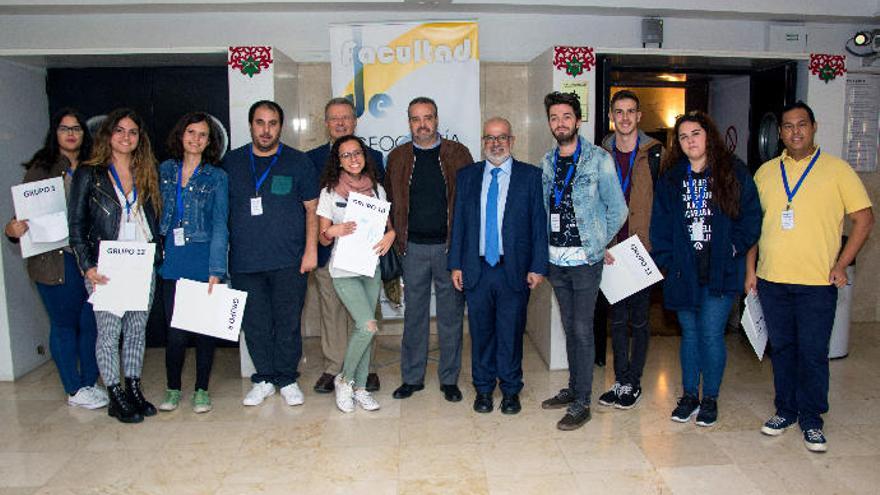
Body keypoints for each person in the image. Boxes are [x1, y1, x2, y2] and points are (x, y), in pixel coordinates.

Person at [746, 101, 873, 452]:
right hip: (773, 281)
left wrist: (841, 264)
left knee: (814, 352)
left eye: (802, 125)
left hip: (818, 283)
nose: (795, 132)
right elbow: (752, 228)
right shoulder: (767, 172)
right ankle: (785, 410)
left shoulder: (838, 170)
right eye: (788, 126)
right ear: (780, 132)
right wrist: (750, 271)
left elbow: (864, 220)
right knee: (783, 349)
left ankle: (812, 419)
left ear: (814, 127)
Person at [650, 111, 761, 428]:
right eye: (683, 137)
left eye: (695, 134)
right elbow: (660, 227)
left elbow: (751, 217)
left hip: (721, 272)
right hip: (684, 273)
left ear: (708, 135)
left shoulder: (733, 172)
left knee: (711, 334)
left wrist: (732, 249)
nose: (690, 141)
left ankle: (709, 397)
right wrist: (668, 262)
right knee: (690, 335)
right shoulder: (671, 179)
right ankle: (689, 396)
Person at [4, 108, 106, 410]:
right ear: (56, 134)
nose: (71, 133)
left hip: (89, 260)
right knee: (64, 324)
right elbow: (20, 219)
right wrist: (12, 230)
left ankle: (89, 382)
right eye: (64, 128)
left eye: (76, 128)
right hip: (54, 261)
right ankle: (74, 389)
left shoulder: (95, 167)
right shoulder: (41, 169)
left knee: (91, 323)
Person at [539, 91, 628, 431]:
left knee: (581, 328)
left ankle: (582, 402)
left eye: (566, 117)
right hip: (555, 260)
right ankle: (574, 388)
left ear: (577, 120)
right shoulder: (548, 161)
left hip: (585, 261)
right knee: (568, 326)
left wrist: (595, 242)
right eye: (554, 118)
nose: (560, 123)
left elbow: (618, 210)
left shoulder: (598, 159)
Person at [68, 108, 163, 424]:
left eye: (133, 132)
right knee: (108, 333)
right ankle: (114, 393)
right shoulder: (90, 173)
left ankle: (133, 386)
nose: (126, 137)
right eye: (120, 130)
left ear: (139, 138)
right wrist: (86, 265)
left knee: (137, 330)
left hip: (140, 262)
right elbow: (77, 224)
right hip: (106, 264)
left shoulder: (146, 170)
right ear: (108, 135)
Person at [222, 100, 318, 407]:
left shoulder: (298, 162)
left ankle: (287, 378)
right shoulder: (231, 163)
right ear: (251, 125)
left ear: (281, 126)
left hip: (289, 259)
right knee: (255, 323)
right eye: (260, 123)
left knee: (288, 321)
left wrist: (310, 250)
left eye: (272, 123)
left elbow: (311, 209)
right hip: (245, 262)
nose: (266, 130)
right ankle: (263, 378)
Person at [448, 117, 547, 415]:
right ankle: (483, 389)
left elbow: (538, 225)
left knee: (511, 333)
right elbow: (459, 224)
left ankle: (511, 390)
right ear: (483, 142)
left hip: (513, 270)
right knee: (481, 334)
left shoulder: (530, 176)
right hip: (476, 268)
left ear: (512, 141)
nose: (496, 143)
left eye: (502, 137)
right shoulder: (467, 176)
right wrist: (455, 264)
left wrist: (538, 266)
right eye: (490, 138)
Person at [384, 96, 473, 402]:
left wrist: (463, 248)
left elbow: (468, 203)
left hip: (449, 248)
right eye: (415, 119)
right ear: (408, 122)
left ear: (437, 119)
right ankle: (412, 378)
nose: (422, 124)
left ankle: (449, 379)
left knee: (450, 318)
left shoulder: (458, 154)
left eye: (428, 117)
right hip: (412, 250)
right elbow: (389, 204)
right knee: (415, 317)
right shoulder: (397, 157)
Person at [307, 97, 384, 394]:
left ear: (355, 122)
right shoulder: (311, 159)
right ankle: (334, 366)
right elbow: (310, 208)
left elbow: (383, 206)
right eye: (334, 118)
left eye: (346, 118)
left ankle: (369, 368)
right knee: (332, 311)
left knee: (367, 312)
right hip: (331, 250)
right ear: (326, 124)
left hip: (367, 256)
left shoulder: (374, 156)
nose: (340, 123)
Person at [316, 135, 396, 413]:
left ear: (365, 156)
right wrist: (333, 231)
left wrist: (392, 235)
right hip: (343, 270)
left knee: (367, 329)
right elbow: (323, 236)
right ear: (338, 161)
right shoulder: (329, 191)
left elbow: (388, 227)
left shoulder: (376, 189)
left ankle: (360, 389)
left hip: (370, 268)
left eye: (357, 153)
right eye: (346, 155)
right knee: (367, 325)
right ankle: (344, 380)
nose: (353, 159)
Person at [156, 112, 228, 414]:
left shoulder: (217, 177)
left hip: (202, 260)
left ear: (209, 141)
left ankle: (201, 390)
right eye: (191, 132)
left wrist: (216, 270)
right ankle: (173, 389)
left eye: (202, 135)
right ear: (181, 135)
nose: (196, 139)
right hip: (172, 259)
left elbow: (220, 224)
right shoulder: (165, 170)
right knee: (175, 334)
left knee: (204, 332)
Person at [597, 90, 663, 410]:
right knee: (617, 321)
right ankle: (621, 379)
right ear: (612, 116)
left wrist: (656, 247)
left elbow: (664, 205)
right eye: (619, 112)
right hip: (612, 250)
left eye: (630, 112)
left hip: (641, 250)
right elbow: (592, 203)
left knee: (639, 320)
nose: (624, 118)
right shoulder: (600, 154)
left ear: (639, 116)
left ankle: (633, 381)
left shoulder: (655, 154)